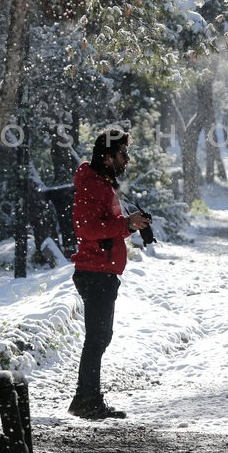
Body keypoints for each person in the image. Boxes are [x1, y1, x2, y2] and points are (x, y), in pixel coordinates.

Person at [67, 127, 151, 420]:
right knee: (98, 336)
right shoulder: (92, 185)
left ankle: (86, 397)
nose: (127, 159)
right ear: (107, 156)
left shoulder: (102, 184)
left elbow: (106, 229)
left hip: (102, 270)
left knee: (100, 336)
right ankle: (86, 399)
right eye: (123, 154)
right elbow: (86, 230)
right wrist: (124, 225)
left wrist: (130, 225)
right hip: (94, 271)